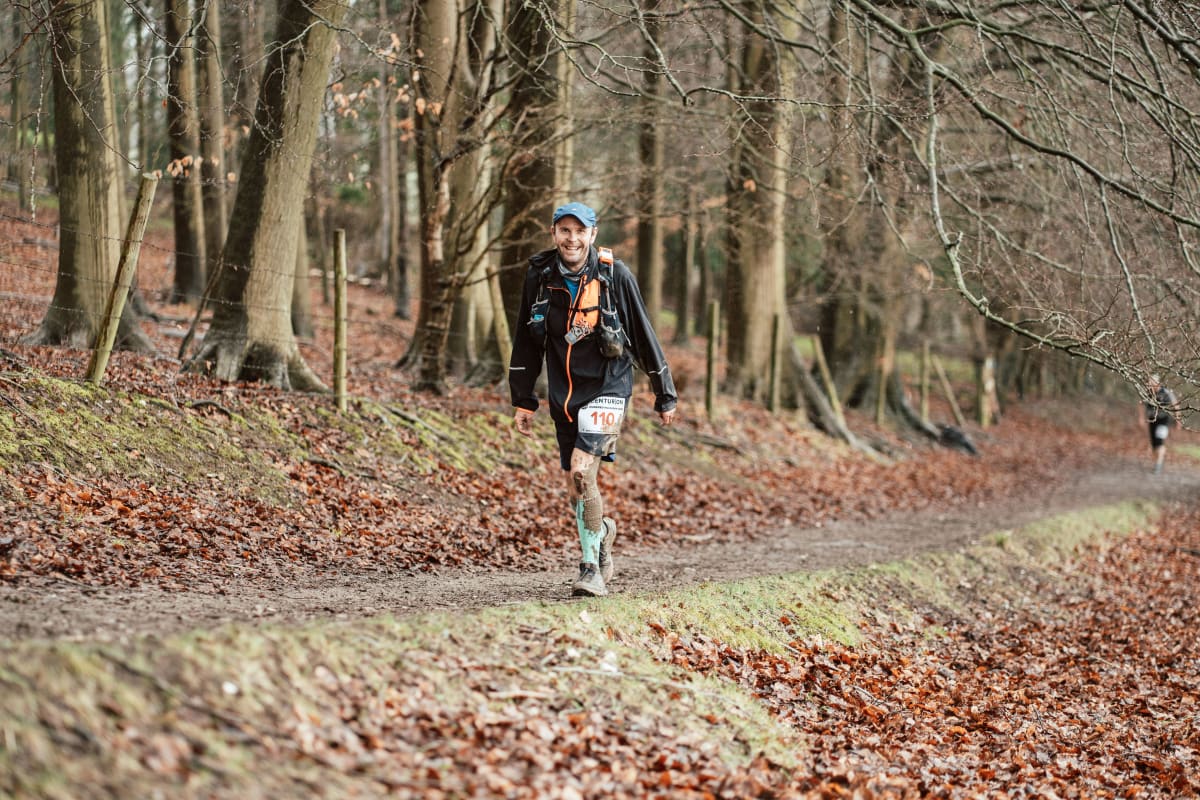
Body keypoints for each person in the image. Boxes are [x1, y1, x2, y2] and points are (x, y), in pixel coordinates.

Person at [509, 202, 677, 597]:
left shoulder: (614, 274)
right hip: (564, 393)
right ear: (553, 233)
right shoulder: (540, 275)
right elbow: (526, 339)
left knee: (583, 471)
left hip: (609, 387)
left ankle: (590, 570)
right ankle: (600, 533)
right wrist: (523, 398)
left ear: (593, 235)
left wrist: (664, 392)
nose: (572, 239)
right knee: (574, 485)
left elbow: (643, 332)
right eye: (564, 230)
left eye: (580, 231)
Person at [1140, 374, 1179, 474]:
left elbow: (1176, 405)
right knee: (1154, 444)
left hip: (1163, 420)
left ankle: (1158, 464)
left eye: (1151, 382)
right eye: (1148, 382)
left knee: (1159, 441)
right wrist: (1141, 417)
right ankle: (1157, 462)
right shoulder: (1148, 393)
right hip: (1152, 419)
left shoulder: (1166, 392)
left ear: (1157, 383)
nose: (1149, 384)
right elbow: (1141, 404)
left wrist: (1178, 421)